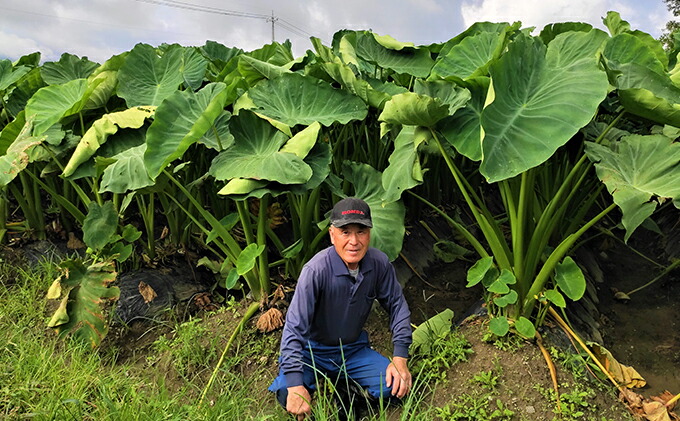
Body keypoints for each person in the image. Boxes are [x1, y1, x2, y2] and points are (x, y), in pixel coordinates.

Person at [268, 197, 413, 420]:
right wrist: (296, 386)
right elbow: (294, 330)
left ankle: (347, 388)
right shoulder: (316, 271)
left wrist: (400, 357)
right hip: (312, 353)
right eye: (345, 232)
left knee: (395, 387)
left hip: (352, 350)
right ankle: (314, 387)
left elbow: (397, 306)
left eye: (361, 231)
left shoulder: (378, 264)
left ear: (369, 234)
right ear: (332, 234)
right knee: (286, 392)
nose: (354, 241)